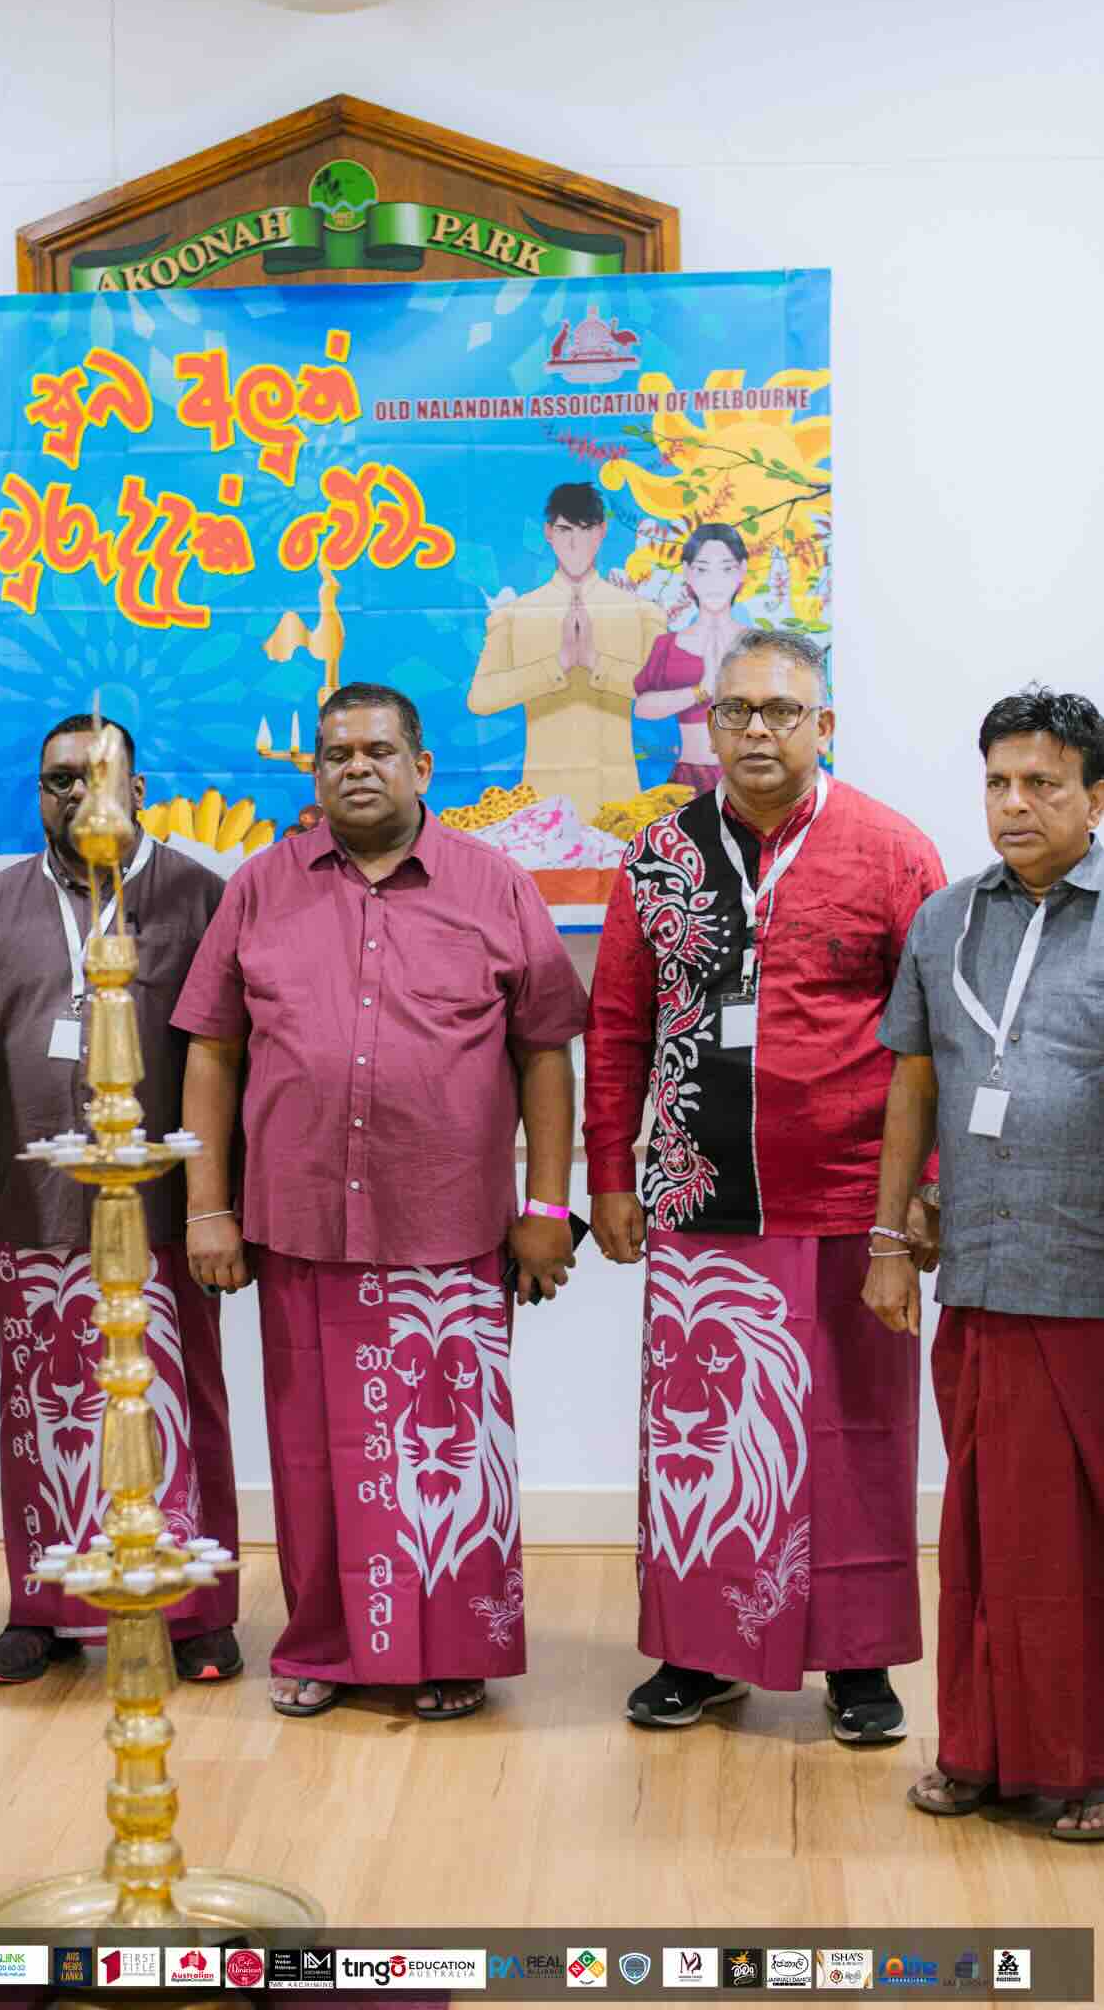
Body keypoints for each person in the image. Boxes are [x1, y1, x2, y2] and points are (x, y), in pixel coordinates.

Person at [172, 681, 586, 1721]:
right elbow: (213, 1052)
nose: (354, 767)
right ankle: (322, 1644)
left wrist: (548, 1202)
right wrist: (205, 1206)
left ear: (422, 766)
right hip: (299, 1221)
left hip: (451, 1226)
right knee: (313, 1453)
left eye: (377, 750)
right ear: (314, 769)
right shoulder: (259, 888)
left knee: (448, 1447)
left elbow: (546, 1054)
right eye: (334, 752)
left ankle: (453, 1648)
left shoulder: (496, 888)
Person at [584, 630, 945, 1741]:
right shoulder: (658, 858)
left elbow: (940, 1042)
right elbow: (615, 1025)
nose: (754, 731)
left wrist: (921, 1191)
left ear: (822, 725)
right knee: (702, 1431)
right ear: (710, 725)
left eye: (781, 711)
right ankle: (701, 1652)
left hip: (850, 1201)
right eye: (734, 711)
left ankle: (859, 1663)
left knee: (857, 1434)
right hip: (701, 1199)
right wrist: (608, 1176)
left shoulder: (892, 852)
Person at [0, 713, 241, 1686]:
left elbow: (234, 1060)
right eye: (56, 780)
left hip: (164, 1218)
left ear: (139, 788)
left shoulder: (201, 898)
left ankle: (198, 1615)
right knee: (44, 1411)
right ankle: (45, 1608)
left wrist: (216, 1203)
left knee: (180, 1406)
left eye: (95, 775)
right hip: (32, 1217)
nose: (74, 795)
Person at [867, 685, 1104, 1840]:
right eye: (999, 782)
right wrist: (885, 1239)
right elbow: (911, 1081)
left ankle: (1087, 1766)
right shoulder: (947, 920)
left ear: (1095, 798)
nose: (1015, 804)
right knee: (982, 1538)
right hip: (982, 1281)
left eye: (1043, 783)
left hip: (1092, 1289)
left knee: (1082, 1546)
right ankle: (980, 1750)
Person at [467, 482, 657, 822]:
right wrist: (559, 664)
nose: (574, 542)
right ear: (548, 533)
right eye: (564, 529)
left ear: (602, 532)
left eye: (584, 530)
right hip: (543, 804)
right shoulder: (514, 615)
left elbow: (660, 695)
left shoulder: (641, 612)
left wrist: (595, 663)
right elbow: (480, 698)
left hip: (619, 802)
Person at [632, 522, 750, 791]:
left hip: (749, 779)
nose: (714, 582)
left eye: (726, 569)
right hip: (689, 778)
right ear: (687, 573)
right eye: (703, 569)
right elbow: (642, 707)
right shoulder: (668, 645)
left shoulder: (760, 645)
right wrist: (701, 690)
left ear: (742, 571)